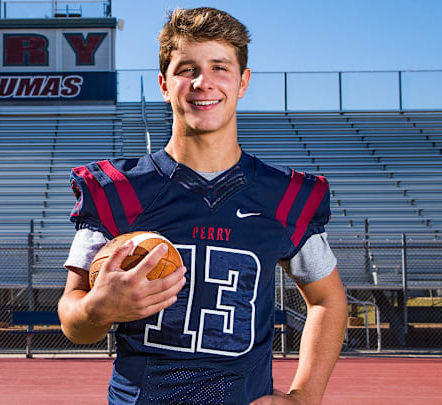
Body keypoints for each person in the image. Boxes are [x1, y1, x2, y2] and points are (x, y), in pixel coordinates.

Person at [57, 6, 348, 405]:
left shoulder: (282, 195)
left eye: (219, 67)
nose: (202, 82)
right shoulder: (118, 189)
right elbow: (73, 320)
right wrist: (97, 308)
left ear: (243, 82)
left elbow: (328, 299)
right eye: (186, 69)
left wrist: (305, 397)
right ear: (164, 84)